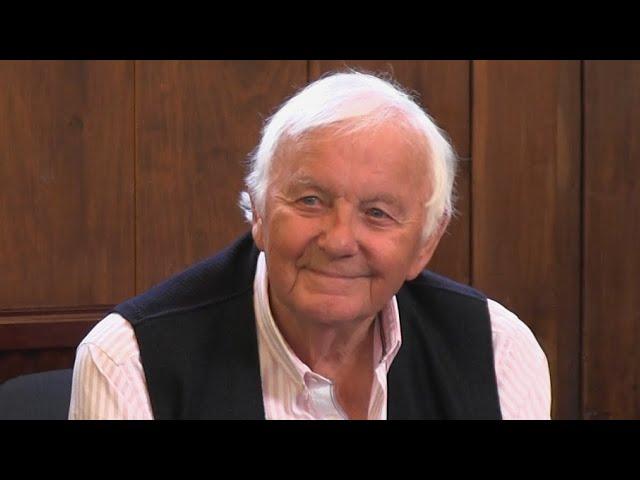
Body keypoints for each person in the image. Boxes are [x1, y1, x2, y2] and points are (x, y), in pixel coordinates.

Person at [69, 71, 551, 420]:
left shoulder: (498, 352)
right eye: (310, 200)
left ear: (426, 242)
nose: (339, 240)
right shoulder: (128, 360)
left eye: (377, 213)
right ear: (259, 212)